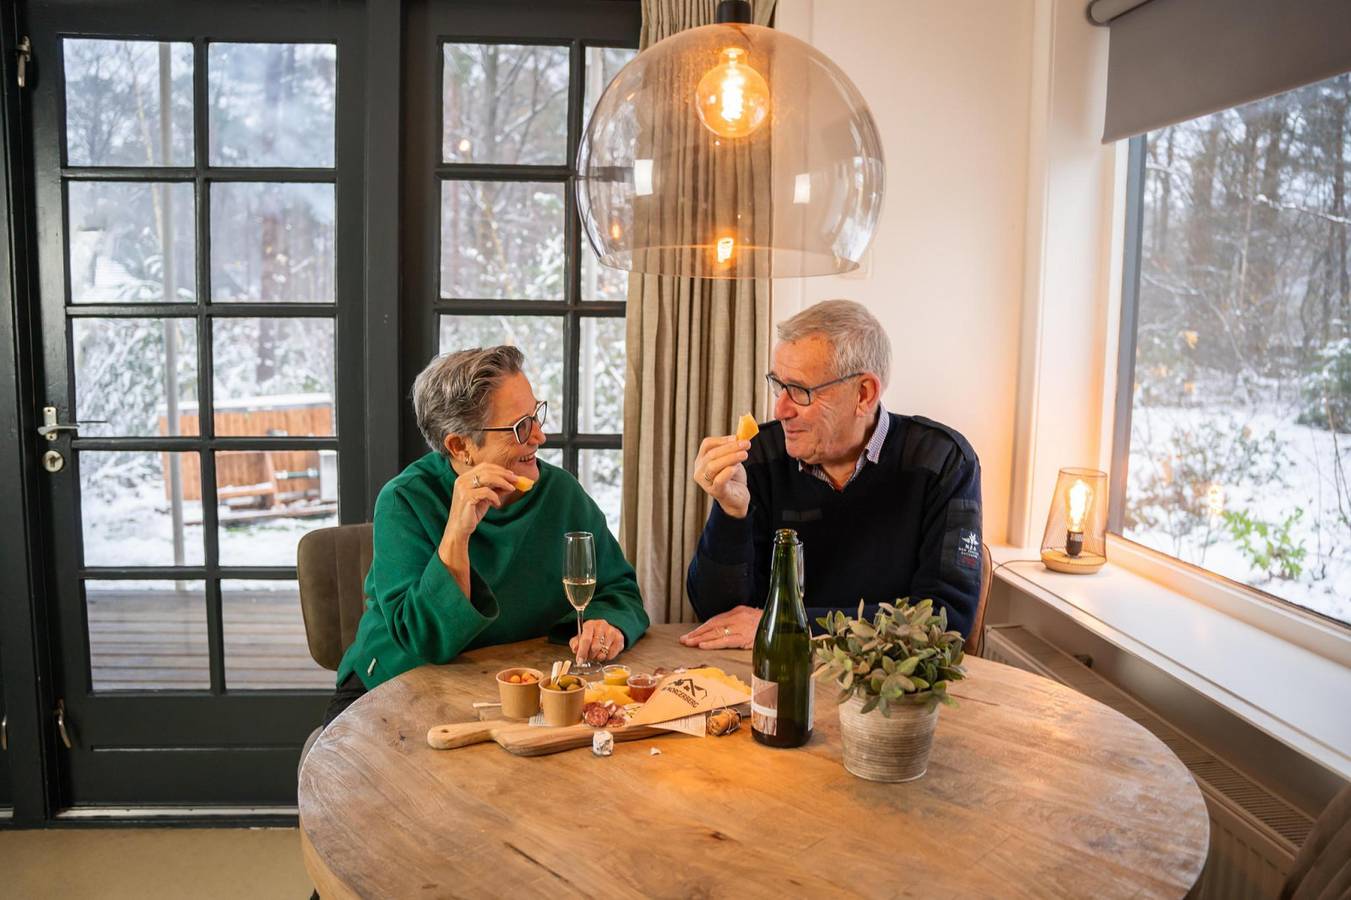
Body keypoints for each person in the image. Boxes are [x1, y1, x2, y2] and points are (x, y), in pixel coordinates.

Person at [324, 346, 648, 725]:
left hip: (517, 691)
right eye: (520, 428)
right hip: (394, 687)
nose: (540, 437)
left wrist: (608, 624)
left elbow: (619, 590)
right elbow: (423, 640)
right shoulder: (405, 500)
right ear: (460, 446)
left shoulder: (561, 494)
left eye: (536, 416)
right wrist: (457, 532)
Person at [681, 299, 982, 651]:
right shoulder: (758, 457)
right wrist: (731, 514)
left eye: (800, 391)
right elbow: (718, 616)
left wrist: (790, 625)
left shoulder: (943, 461)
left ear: (864, 394)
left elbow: (945, 621)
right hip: (775, 676)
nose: (780, 410)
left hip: (890, 690)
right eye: (779, 385)